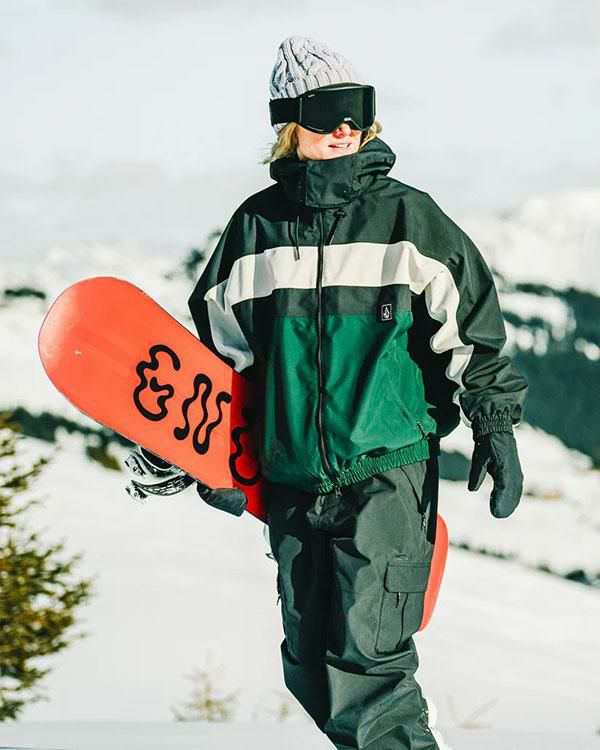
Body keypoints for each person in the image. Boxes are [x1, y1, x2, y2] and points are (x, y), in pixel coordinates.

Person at [126, 35, 528, 750]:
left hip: (385, 469)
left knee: (366, 667)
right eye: (326, 111)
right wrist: (207, 453)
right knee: (310, 665)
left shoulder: (407, 219)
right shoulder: (255, 228)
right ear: (289, 122)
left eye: (357, 110)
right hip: (290, 478)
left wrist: (493, 423)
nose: (345, 126)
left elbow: (471, 325)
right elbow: (222, 358)